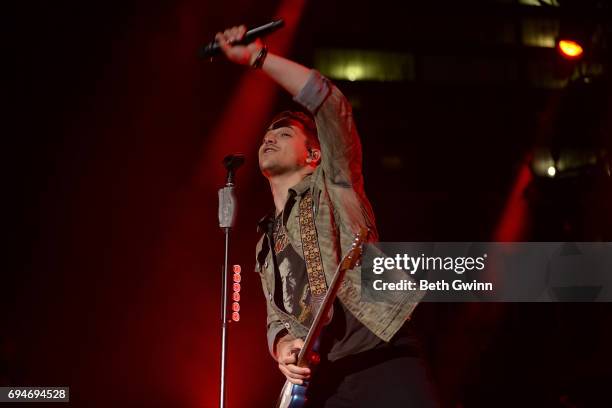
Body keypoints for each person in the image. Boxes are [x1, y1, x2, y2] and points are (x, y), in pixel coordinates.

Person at [216, 25, 439, 407]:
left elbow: (330, 104)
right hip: (324, 379)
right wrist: (282, 345)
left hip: (380, 354)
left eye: (284, 133)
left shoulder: (333, 185)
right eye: (267, 133)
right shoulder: (265, 241)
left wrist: (259, 58)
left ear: (313, 156)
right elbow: (276, 317)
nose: (269, 137)